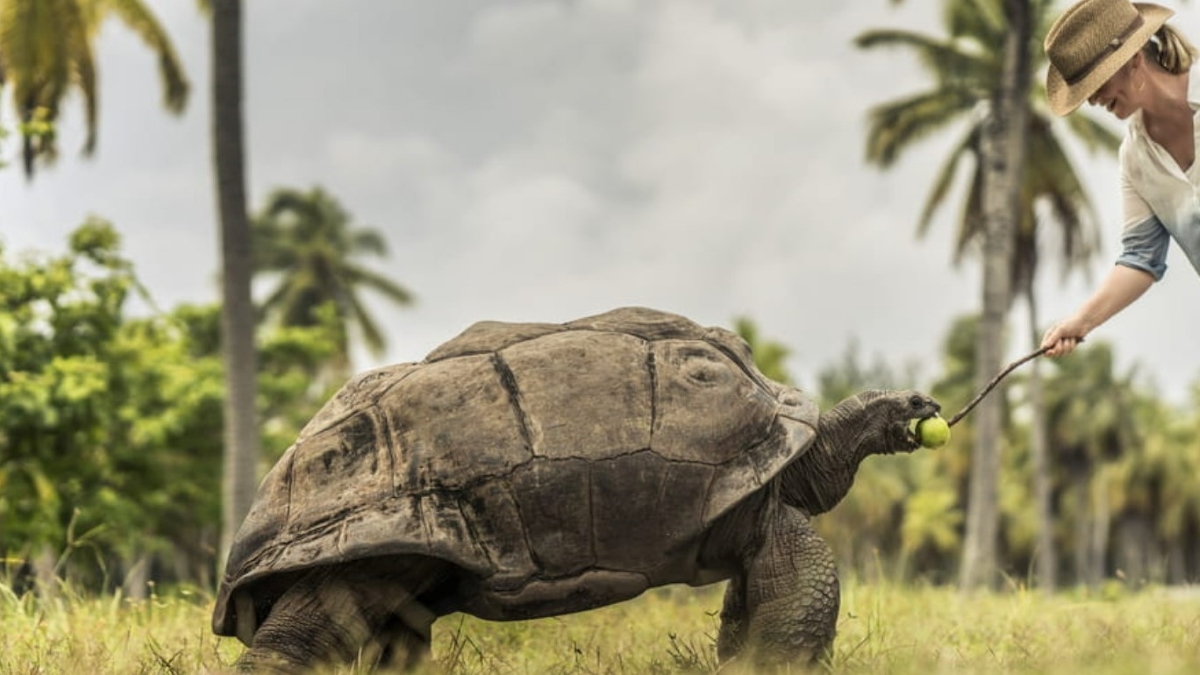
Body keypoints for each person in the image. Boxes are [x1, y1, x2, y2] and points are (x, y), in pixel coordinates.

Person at [1040, 0, 1198, 357]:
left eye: (1095, 83)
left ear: (1133, 60)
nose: (1093, 100)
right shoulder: (1136, 159)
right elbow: (1141, 258)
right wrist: (1080, 321)